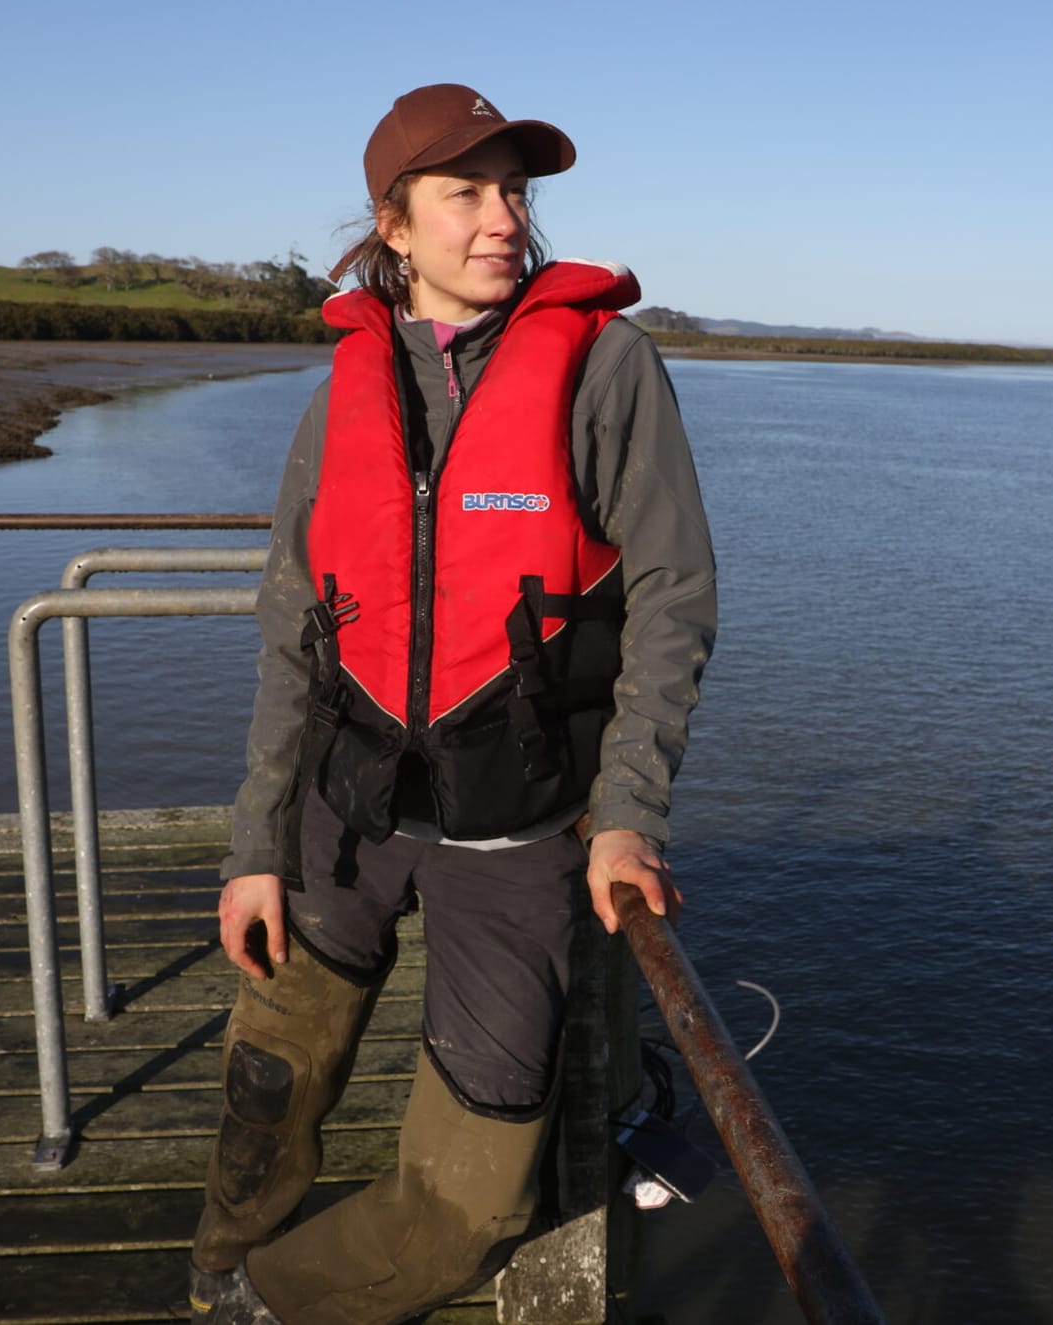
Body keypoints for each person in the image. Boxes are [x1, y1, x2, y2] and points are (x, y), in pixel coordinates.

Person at [188, 83, 716, 1325]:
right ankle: (218, 1261)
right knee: (267, 1082)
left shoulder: (606, 365)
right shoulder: (347, 386)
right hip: (342, 819)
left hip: (517, 831)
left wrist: (627, 808)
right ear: (394, 224)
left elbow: (673, 598)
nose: (501, 218)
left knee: (473, 1198)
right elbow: (289, 626)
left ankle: (266, 1304)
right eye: (464, 191)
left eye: (514, 189)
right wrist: (254, 846)